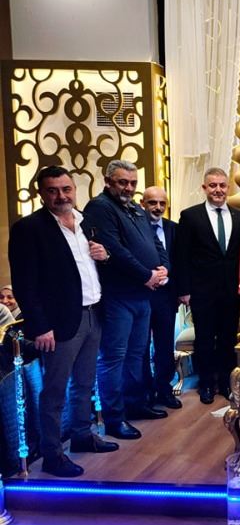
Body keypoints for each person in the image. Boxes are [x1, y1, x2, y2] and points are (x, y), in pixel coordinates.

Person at [9, 165, 118, 477]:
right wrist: (40, 326)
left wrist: (106, 256)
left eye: (66, 189)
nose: (61, 196)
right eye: (53, 191)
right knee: (55, 391)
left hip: (94, 312)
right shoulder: (29, 229)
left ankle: (82, 435)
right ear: (41, 194)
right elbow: (25, 284)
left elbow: (95, 265)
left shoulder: (86, 222)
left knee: (85, 382)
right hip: (58, 323)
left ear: (74, 190)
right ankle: (52, 454)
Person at [83, 160, 170, 439]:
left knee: (137, 354)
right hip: (118, 296)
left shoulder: (135, 208)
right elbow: (114, 249)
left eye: (133, 183)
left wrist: (163, 268)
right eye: (122, 182)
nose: (128, 188)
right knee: (114, 358)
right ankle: (114, 418)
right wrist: (146, 275)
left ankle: (136, 404)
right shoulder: (100, 207)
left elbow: (156, 242)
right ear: (108, 181)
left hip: (143, 295)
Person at [175, 168, 240, 405]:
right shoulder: (190, 216)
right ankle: (206, 384)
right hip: (201, 290)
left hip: (231, 291)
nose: (218, 190)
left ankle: (226, 383)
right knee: (204, 338)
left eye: (222, 185)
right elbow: (182, 255)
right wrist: (184, 290)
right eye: (213, 185)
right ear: (204, 188)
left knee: (228, 338)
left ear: (228, 188)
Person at [139, 186, 181, 409]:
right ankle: (145, 393)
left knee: (165, 345)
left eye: (162, 203)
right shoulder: (134, 228)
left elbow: (181, 261)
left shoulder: (174, 228)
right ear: (142, 204)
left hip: (166, 296)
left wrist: (178, 285)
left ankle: (164, 389)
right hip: (141, 295)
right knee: (141, 346)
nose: (157, 207)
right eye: (152, 202)